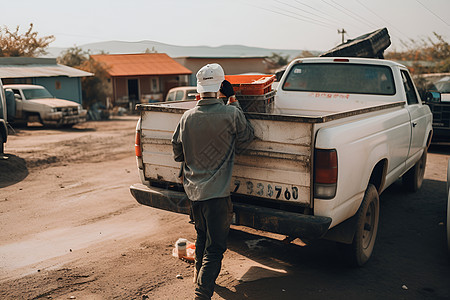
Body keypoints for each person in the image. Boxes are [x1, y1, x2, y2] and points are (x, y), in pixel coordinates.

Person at [172, 63, 254, 299]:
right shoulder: (231, 113)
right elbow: (247, 137)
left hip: (194, 194)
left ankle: (200, 278)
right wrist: (234, 100)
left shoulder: (186, 118)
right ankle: (201, 293)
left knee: (201, 237)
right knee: (215, 247)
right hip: (218, 197)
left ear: (199, 88)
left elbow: (177, 152)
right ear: (221, 87)